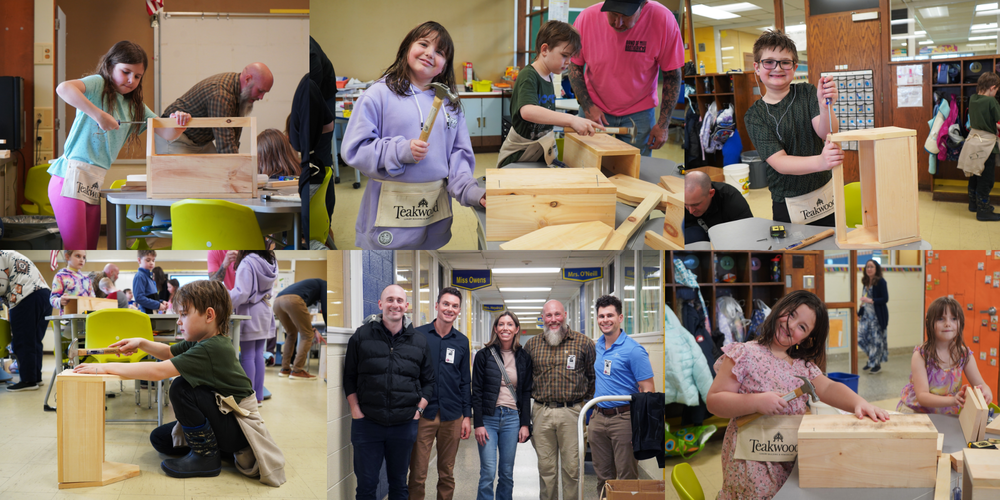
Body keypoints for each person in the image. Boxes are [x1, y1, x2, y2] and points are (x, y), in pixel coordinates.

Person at [73, 280, 286, 485]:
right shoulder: (203, 341)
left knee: (181, 387)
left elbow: (157, 371)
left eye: (184, 314)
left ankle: (206, 459)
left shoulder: (212, 348)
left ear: (209, 315)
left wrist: (103, 367)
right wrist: (142, 342)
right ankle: (216, 450)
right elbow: (167, 352)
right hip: (226, 421)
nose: (178, 320)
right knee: (161, 439)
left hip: (239, 428)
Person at [706, 290, 889, 499]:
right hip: (748, 464)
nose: (791, 326)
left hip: (788, 462)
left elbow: (829, 388)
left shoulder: (803, 367)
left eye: (802, 327)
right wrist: (755, 401)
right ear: (780, 308)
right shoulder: (744, 354)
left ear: (807, 338)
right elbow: (714, 401)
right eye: (791, 314)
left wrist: (859, 402)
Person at [341, 21, 486, 250]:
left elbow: (459, 157)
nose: (430, 53)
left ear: (444, 66)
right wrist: (399, 151)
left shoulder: (450, 105)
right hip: (388, 220)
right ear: (407, 47)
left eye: (440, 52)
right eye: (423, 44)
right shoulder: (377, 95)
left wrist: (471, 191)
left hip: (432, 218)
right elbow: (355, 149)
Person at [46, 41, 190, 249]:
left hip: (93, 180)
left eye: (138, 76)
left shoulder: (135, 106)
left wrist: (179, 122)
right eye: (126, 72)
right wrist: (99, 114)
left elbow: (166, 132)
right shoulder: (98, 85)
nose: (131, 80)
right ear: (110, 66)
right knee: (77, 251)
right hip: (69, 177)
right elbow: (63, 88)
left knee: (89, 250)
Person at [344, 284, 434, 500]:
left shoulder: (419, 341)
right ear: (380, 304)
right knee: (366, 486)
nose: (395, 305)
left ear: (406, 306)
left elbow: (429, 382)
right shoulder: (361, 336)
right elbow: (349, 377)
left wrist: (417, 413)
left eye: (400, 301)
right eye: (390, 300)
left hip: (404, 425)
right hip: (367, 425)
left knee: (399, 485)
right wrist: (356, 411)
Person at [743, 30, 842, 226]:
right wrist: (821, 161)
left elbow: (826, 132)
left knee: (830, 240)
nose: (777, 68)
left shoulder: (807, 93)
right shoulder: (755, 115)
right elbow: (779, 162)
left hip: (824, 191)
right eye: (769, 61)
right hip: (787, 201)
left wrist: (825, 107)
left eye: (785, 62)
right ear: (757, 67)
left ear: (794, 66)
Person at [568, 0, 685, 157]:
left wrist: (664, 125)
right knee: (587, 166)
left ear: (642, 6)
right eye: (613, 14)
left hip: (640, 113)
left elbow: (672, 76)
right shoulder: (585, 18)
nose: (618, 23)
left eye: (625, 16)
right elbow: (574, 66)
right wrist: (588, 106)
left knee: (636, 171)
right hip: (594, 108)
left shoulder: (664, 20)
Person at [497, 21, 600, 167]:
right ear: (544, 49)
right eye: (564, 55)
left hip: (539, 151)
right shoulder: (528, 75)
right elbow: (528, 111)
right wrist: (571, 119)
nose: (568, 62)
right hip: (520, 155)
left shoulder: (549, 75)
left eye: (570, 57)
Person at [523, 299, 595, 500]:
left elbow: (593, 377)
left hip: (572, 412)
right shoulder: (532, 345)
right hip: (541, 412)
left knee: (572, 469)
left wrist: (580, 404)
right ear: (542, 318)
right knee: (546, 470)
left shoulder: (584, 343)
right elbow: (526, 380)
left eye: (557, 314)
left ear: (564, 315)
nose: (553, 319)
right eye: (548, 315)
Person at [408, 287, 472, 500]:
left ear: (459, 310)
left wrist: (467, 416)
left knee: (447, 473)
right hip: (423, 414)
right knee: (417, 473)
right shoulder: (418, 335)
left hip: (452, 415)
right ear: (436, 306)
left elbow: (465, 381)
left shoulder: (462, 341)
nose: (449, 309)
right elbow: (409, 374)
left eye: (454, 306)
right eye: (446, 304)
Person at [588, 295, 655, 494]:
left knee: (626, 477)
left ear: (620, 317)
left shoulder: (634, 350)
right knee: (602, 475)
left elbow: (648, 389)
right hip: (598, 418)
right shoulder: (598, 346)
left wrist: (641, 427)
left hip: (624, 419)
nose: (605, 320)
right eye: (601, 316)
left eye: (610, 315)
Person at [472, 310, 532, 500]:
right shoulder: (483, 356)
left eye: (509, 324)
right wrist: (478, 424)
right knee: (488, 472)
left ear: (516, 329)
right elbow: (477, 392)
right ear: (496, 329)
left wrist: (525, 424)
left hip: (512, 419)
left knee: (506, 473)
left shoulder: (524, 357)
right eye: (501, 324)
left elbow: (525, 392)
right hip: (488, 418)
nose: (505, 328)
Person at [898, 296, 994, 414]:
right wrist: (953, 400)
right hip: (916, 411)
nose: (948, 324)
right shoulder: (921, 355)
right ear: (929, 323)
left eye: (954, 318)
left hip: (947, 414)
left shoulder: (964, 355)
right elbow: (922, 396)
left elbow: (981, 384)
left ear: (961, 323)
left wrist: (987, 392)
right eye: (940, 319)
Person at [156, 63, 273, 154]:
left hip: (201, 141)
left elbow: (232, 137)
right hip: (175, 138)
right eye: (260, 91)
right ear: (247, 79)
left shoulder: (239, 93)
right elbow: (225, 144)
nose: (261, 97)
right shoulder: (221, 94)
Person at [229, 251, 278, 407]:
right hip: (264, 309)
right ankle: (258, 397)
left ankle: (248, 398)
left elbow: (241, 293)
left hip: (250, 311)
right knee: (258, 354)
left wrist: (225, 300)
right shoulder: (270, 261)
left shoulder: (247, 262)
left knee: (248, 355)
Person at [1, 251, 51, 392]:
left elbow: (1, 286)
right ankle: (35, 377)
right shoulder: (6, 254)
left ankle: (28, 381)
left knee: (22, 341)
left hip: (25, 295)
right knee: (34, 340)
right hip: (43, 295)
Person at [959, 72, 1000, 221]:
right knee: (987, 178)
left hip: (973, 143)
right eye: (996, 90)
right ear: (992, 87)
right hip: (987, 144)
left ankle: (973, 204)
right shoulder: (991, 102)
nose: (996, 93)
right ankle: (984, 211)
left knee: (975, 174)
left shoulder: (973, 99)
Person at [274, 278, 326, 380]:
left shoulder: (308, 285)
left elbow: (300, 318)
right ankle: (297, 370)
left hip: (277, 302)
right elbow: (326, 308)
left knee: (291, 333)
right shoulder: (325, 285)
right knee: (307, 335)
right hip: (293, 300)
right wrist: (328, 327)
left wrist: (313, 329)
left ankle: (285, 369)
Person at [683, 170, 754, 243]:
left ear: (711, 193)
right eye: (686, 204)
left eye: (696, 204)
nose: (691, 211)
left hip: (728, 234)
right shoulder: (681, 198)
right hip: (697, 230)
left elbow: (749, 231)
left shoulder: (732, 199)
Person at [858, 259, 889, 373]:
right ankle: (871, 359)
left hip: (877, 317)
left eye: (871, 267)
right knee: (861, 339)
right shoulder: (865, 282)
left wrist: (871, 300)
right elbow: (863, 301)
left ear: (876, 269)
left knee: (876, 342)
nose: (869, 269)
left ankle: (876, 364)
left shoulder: (881, 282)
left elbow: (885, 299)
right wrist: (859, 313)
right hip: (866, 317)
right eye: (867, 267)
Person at [49, 250, 94, 315]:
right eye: (78, 256)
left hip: (84, 318)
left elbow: (92, 298)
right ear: (67, 256)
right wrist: (60, 301)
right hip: (67, 319)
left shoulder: (87, 279)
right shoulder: (60, 276)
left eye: (84, 257)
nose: (82, 260)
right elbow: (52, 299)